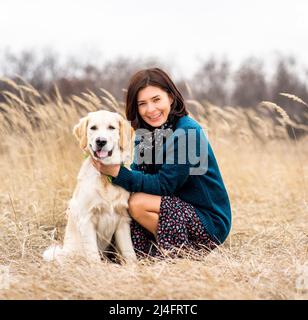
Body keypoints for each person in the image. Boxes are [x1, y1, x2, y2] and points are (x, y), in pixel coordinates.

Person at [92, 67, 231, 258]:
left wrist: (117, 172)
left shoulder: (187, 133)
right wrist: (92, 200)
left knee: (137, 203)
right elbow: (139, 175)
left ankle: (185, 254)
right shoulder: (147, 134)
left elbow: (164, 185)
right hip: (170, 207)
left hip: (207, 220)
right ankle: (156, 252)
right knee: (115, 240)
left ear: (171, 98)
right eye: (142, 103)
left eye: (156, 100)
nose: (151, 109)